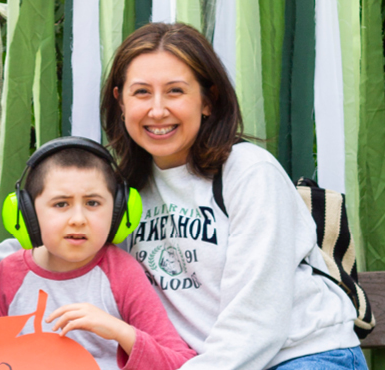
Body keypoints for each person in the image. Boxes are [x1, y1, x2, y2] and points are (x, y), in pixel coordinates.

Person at [102, 23, 364, 369]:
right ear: (121, 102)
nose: (158, 109)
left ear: (208, 101)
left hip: (301, 355)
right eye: (141, 93)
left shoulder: (249, 172)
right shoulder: (122, 189)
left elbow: (257, 320)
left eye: (175, 91)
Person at [0, 136, 196, 370]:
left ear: (120, 212)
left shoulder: (122, 272)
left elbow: (181, 362)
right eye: (61, 204)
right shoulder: (8, 273)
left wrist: (121, 332)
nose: (78, 219)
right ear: (27, 213)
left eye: (93, 203)